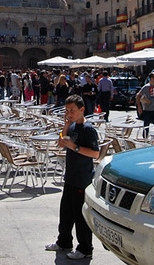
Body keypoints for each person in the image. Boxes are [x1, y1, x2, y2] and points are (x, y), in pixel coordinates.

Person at [45, 95, 99, 260]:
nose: (69, 113)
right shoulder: (73, 126)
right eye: (67, 110)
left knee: (80, 216)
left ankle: (85, 248)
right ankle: (64, 241)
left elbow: (95, 153)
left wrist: (75, 148)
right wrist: (66, 126)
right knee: (66, 213)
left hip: (82, 179)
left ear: (82, 110)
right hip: (70, 177)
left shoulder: (88, 130)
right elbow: (61, 143)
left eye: (72, 110)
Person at [136, 72, 154, 139]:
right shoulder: (146, 87)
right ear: (151, 78)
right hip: (148, 110)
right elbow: (138, 96)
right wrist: (139, 107)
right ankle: (145, 139)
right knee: (146, 126)